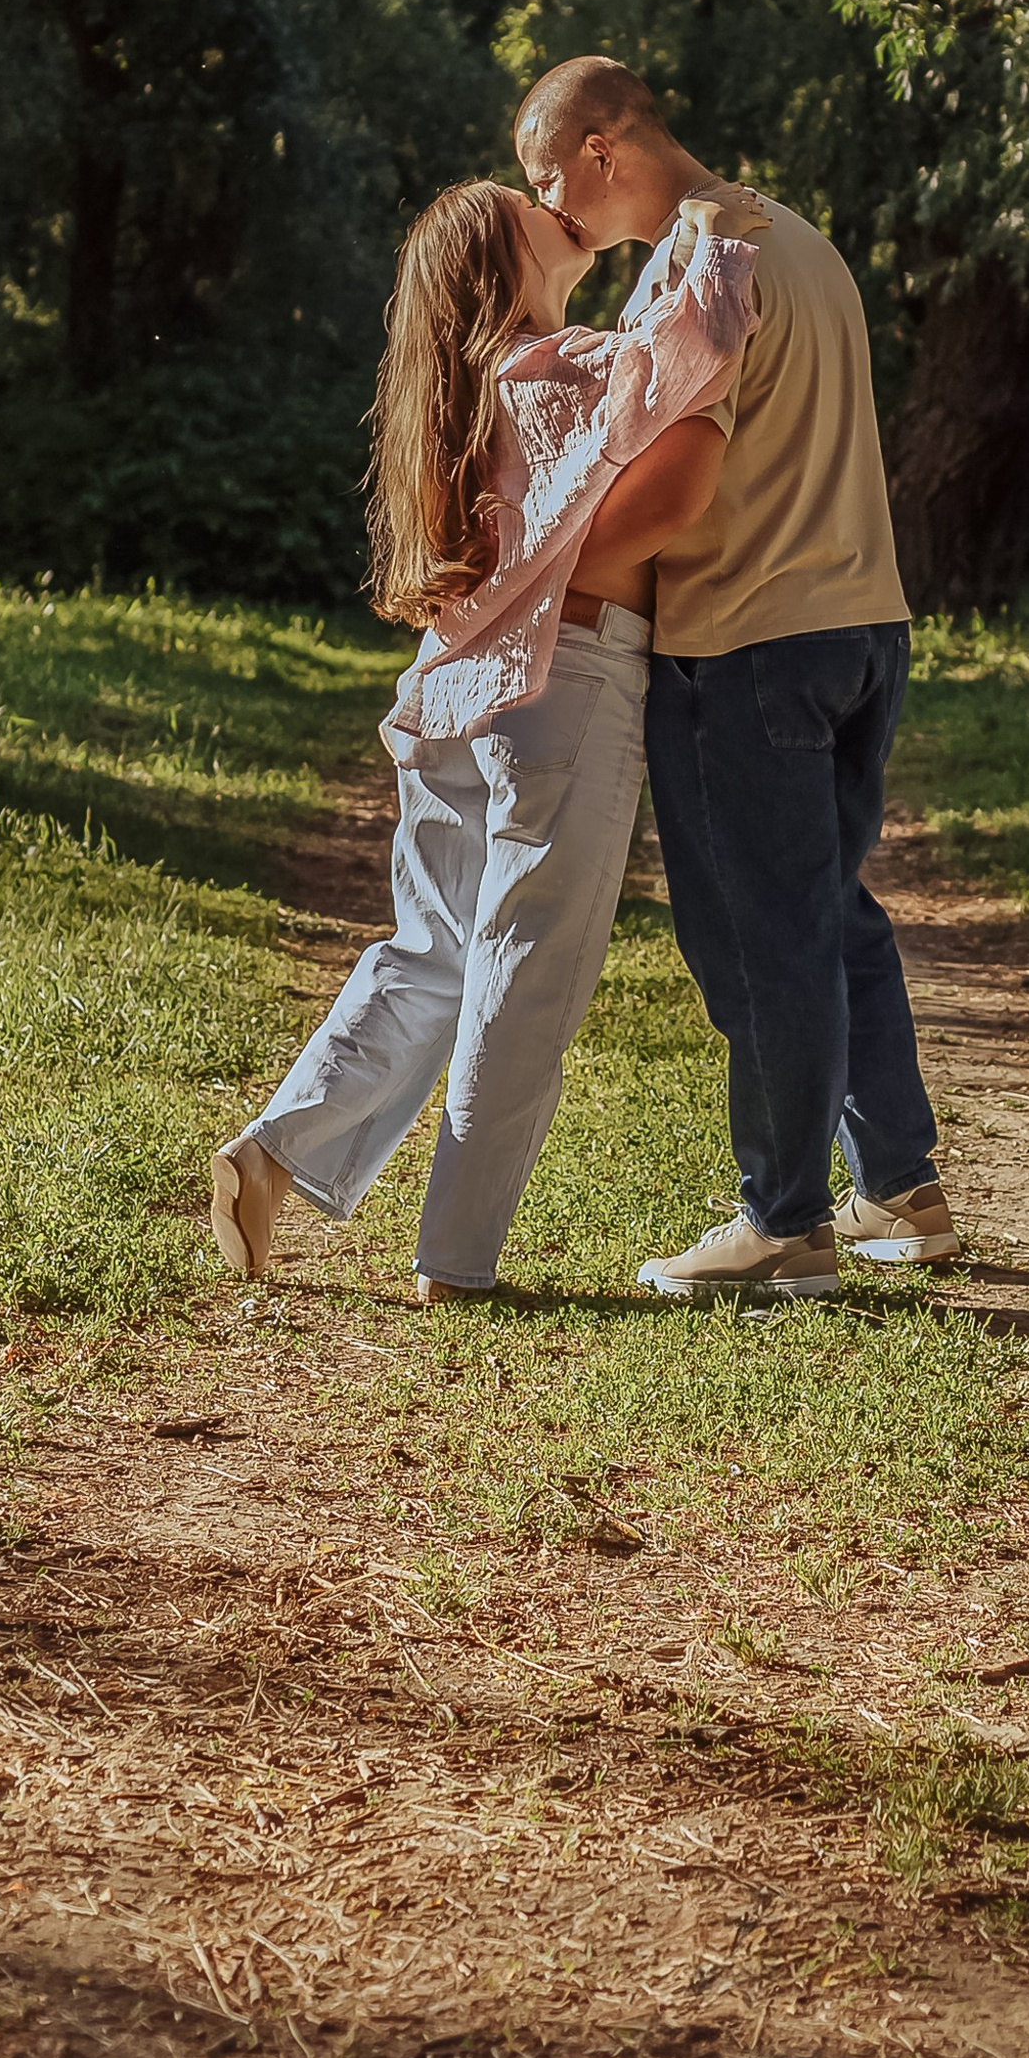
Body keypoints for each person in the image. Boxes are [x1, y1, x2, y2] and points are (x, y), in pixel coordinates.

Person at [208, 174, 761, 1299]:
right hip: (571, 680)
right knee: (527, 975)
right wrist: (715, 235)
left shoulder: (464, 398)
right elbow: (691, 347)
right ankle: (456, 1262)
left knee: (434, 953)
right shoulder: (551, 368)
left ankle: (271, 1151)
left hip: (461, 694)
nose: (550, 200)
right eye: (526, 203)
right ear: (495, 267)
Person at [514, 57, 960, 1301]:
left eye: (551, 179)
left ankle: (783, 1220)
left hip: (747, 640)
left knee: (759, 939)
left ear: (603, 149)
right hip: (863, 627)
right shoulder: (799, 240)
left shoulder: (695, 266)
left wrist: (542, 588)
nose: (552, 212)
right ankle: (900, 1186)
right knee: (827, 910)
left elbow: (676, 475)